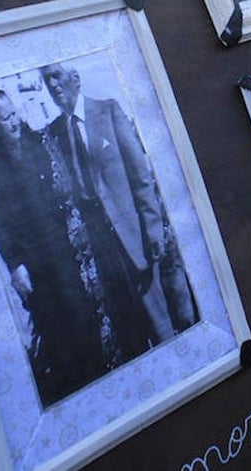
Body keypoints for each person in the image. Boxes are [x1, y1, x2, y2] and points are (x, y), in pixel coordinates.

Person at [40, 63, 197, 349]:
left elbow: (141, 174)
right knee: (132, 332)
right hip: (103, 247)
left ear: (76, 78)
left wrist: (152, 228)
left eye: (57, 76)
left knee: (162, 320)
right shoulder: (57, 132)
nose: (53, 85)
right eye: (46, 79)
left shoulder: (108, 111)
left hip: (135, 235)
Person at [0, 87, 107, 405]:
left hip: (64, 246)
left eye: (13, 112)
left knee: (83, 313)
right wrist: (15, 265)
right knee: (57, 327)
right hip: (34, 261)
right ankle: (81, 389)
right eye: (5, 118)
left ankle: (103, 375)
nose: (14, 121)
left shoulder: (38, 143)